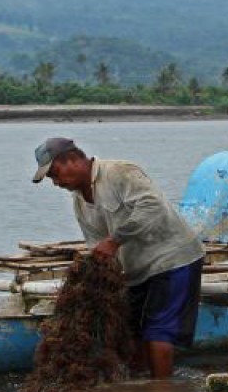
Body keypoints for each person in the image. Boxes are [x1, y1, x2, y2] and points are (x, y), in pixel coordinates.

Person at [32, 137, 205, 378]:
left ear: (71, 159)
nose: (56, 182)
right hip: (136, 270)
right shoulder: (80, 202)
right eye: (51, 178)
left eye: (54, 173)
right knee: (129, 332)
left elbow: (151, 207)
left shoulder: (120, 172)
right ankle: (141, 385)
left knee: (157, 332)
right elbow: (98, 246)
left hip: (172, 258)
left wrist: (115, 240)